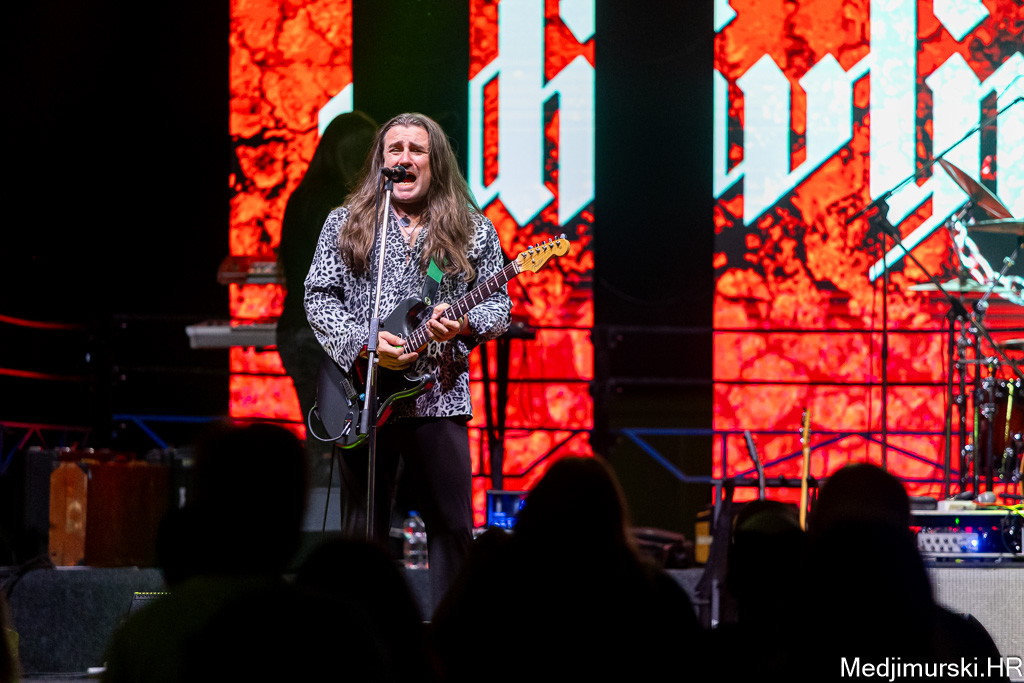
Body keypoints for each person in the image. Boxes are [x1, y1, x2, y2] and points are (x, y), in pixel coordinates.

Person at [304, 112, 512, 615]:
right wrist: (362, 342)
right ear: (381, 161)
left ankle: (453, 637)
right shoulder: (346, 222)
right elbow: (318, 296)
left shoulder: (471, 230)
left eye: (416, 150)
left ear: (435, 162)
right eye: (394, 149)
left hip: (438, 394)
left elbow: (499, 307)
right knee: (363, 528)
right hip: (364, 394)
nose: (404, 158)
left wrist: (462, 324)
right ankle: (360, 634)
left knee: (452, 526)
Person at [277, 111, 377, 485]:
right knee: (348, 443)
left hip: (298, 331)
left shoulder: (301, 199)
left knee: (324, 438)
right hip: (328, 335)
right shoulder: (342, 208)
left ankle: (317, 512)